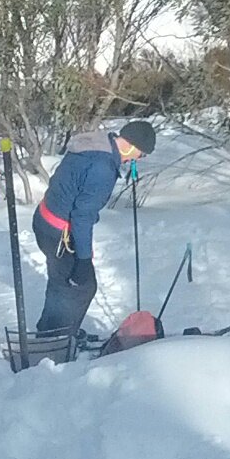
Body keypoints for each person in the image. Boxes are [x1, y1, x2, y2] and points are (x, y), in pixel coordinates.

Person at [33, 118, 157, 337]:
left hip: (45, 219)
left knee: (60, 281)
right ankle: (59, 340)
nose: (139, 158)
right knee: (82, 287)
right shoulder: (103, 168)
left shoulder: (95, 144)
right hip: (59, 231)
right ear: (130, 145)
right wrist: (83, 258)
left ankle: (51, 331)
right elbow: (82, 216)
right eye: (141, 153)